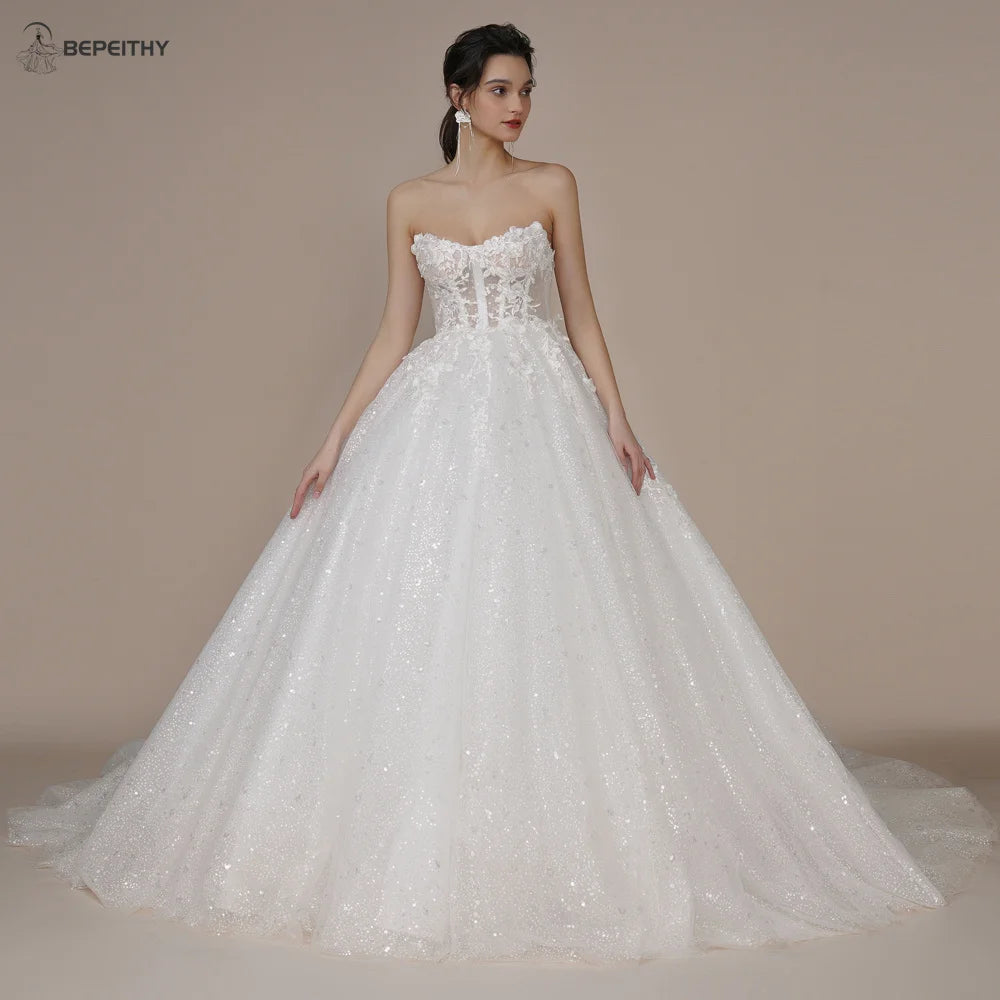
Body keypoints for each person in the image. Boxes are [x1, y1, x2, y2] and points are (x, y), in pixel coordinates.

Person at [7, 22, 997, 966]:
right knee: (425, 607)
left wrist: (616, 416)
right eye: (499, 89)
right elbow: (396, 330)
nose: (517, 105)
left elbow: (582, 314)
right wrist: (334, 439)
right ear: (458, 97)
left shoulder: (553, 184)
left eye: (525, 89)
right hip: (437, 410)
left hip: (539, 406)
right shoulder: (408, 201)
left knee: (559, 607)